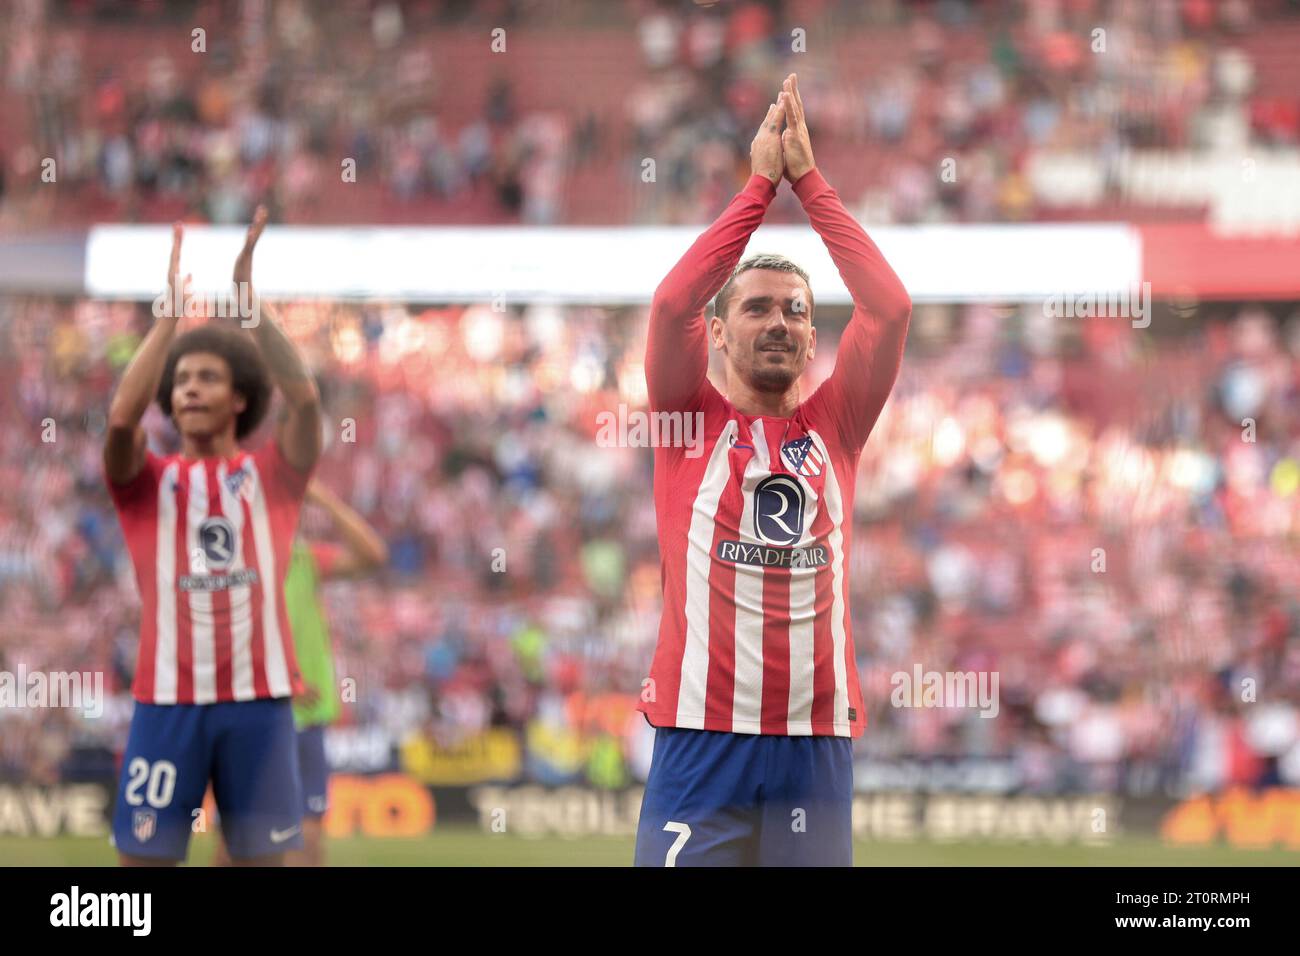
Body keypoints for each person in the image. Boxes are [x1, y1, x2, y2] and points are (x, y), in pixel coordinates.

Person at [634, 74, 912, 866]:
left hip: (812, 746)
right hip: (700, 739)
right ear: (718, 334)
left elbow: (889, 308)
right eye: (755, 308)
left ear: (815, 337)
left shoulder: (837, 424)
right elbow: (668, 306)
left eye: (796, 310)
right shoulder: (688, 421)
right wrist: (760, 185)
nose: (780, 322)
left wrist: (811, 184)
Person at [103, 207, 323, 866]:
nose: (190, 388)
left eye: (207, 377)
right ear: (167, 402)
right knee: (140, 868)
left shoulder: (272, 477)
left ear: (239, 398)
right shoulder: (146, 482)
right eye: (181, 381)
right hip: (166, 701)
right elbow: (119, 421)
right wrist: (168, 319)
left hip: (258, 705)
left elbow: (306, 403)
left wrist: (250, 308)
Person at [213, 477, 389, 867]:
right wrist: (280, 679)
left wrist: (324, 499)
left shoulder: (303, 559)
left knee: (308, 847)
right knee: (235, 848)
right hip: (251, 720)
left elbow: (373, 555)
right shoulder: (232, 567)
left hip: (305, 721)